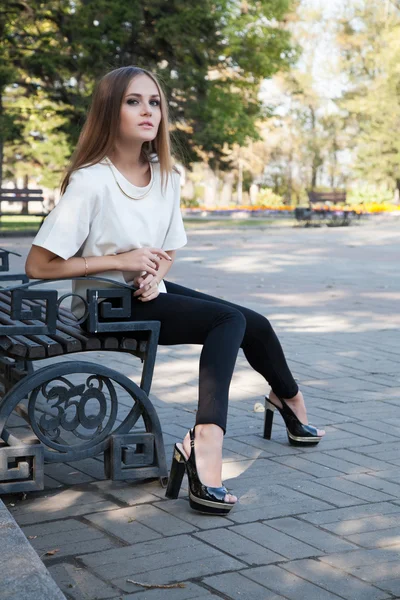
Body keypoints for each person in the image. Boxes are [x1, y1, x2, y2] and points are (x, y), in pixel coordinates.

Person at [25, 66, 325, 516]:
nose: (148, 110)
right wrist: (121, 262)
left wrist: (152, 270)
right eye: (133, 101)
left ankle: (289, 401)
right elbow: (38, 264)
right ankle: (205, 445)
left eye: (155, 101)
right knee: (229, 321)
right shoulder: (92, 180)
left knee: (255, 324)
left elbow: (167, 248)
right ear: (110, 110)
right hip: (100, 305)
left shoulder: (166, 176)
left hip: (146, 294)